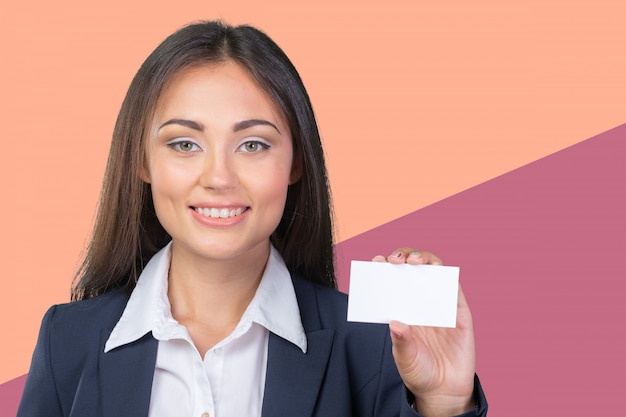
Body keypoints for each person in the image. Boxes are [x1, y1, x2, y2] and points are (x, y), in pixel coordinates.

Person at [18, 21, 487, 417]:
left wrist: (444, 401)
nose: (218, 177)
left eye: (253, 145)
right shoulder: (69, 340)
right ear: (141, 160)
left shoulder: (372, 346)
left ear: (295, 163)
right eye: (184, 144)